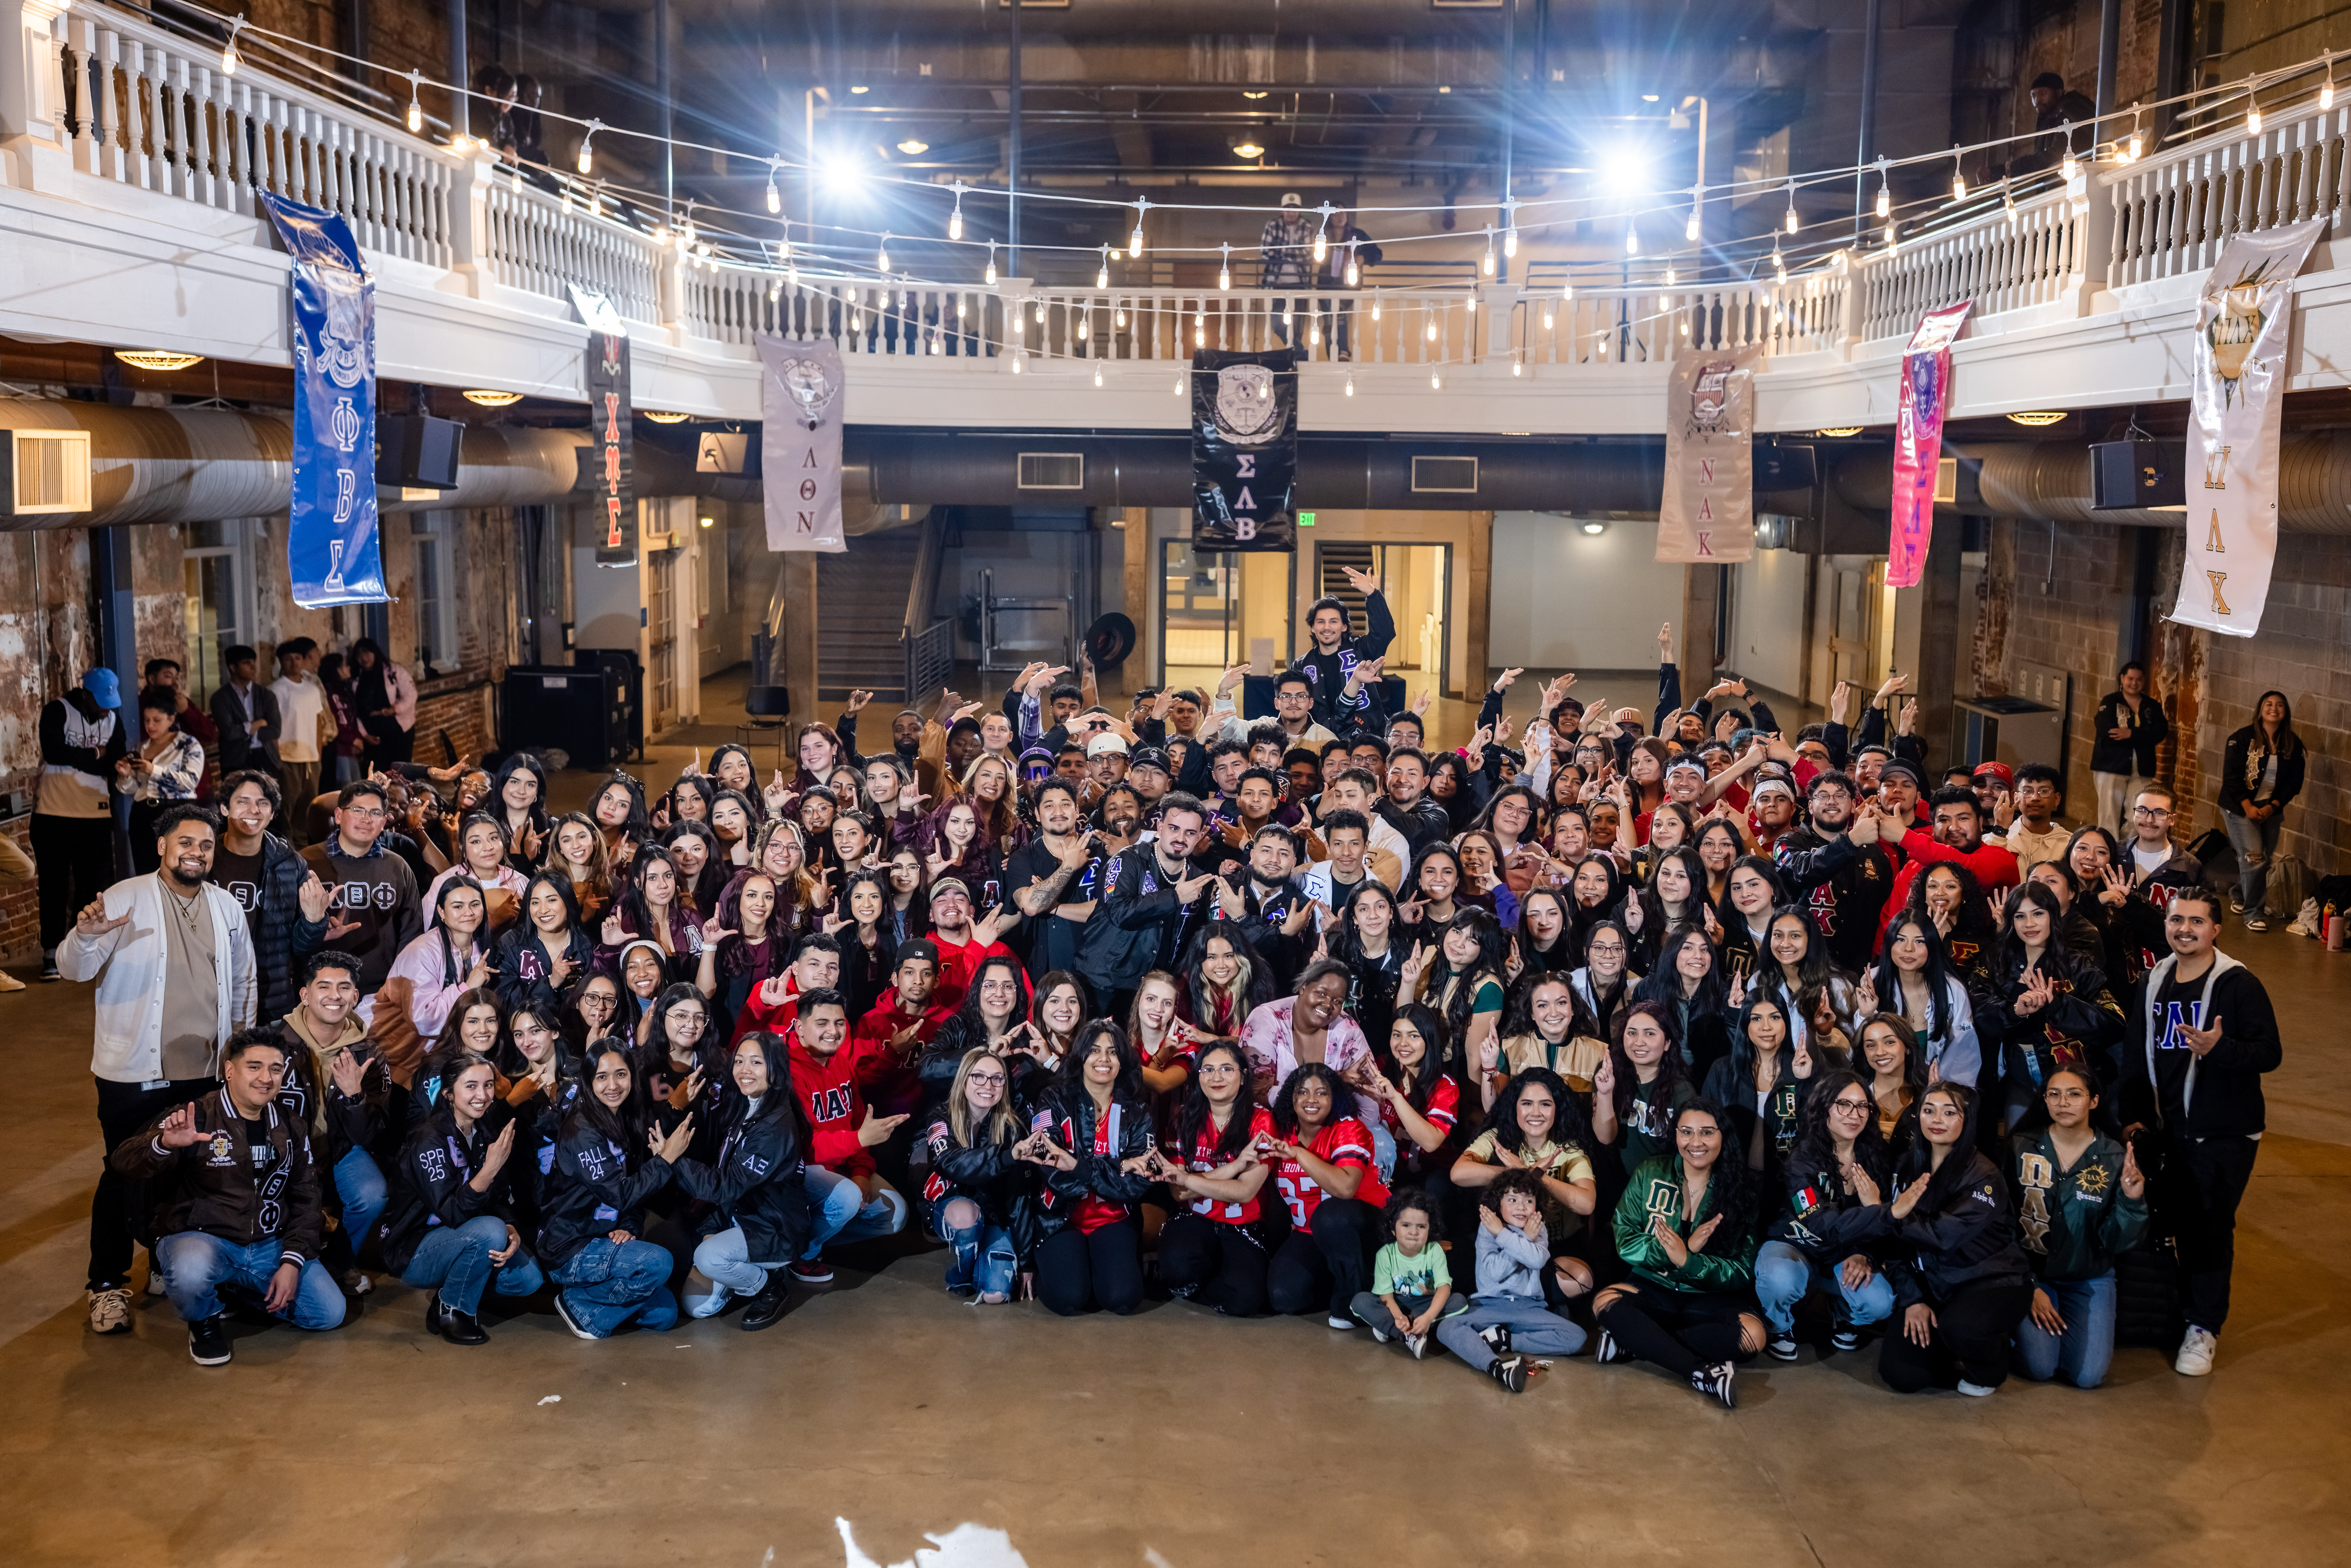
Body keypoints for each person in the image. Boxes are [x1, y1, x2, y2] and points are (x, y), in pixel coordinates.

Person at [64, 802, 256, 1336]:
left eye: (205, 844)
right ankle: (106, 1283)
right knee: (123, 1172)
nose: (196, 852)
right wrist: (84, 934)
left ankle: (162, 1262)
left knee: (186, 1175)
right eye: (186, 842)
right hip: (132, 1073)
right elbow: (73, 970)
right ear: (162, 846)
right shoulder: (125, 897)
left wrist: (236, 1059)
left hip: (204, 1072)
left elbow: (244, 985)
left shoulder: (225, 907)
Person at [2117, 888, 2281, 1377]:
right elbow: (2133, 1056)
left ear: (2216, 929)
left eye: (2196, 921)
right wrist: (2133, 1117)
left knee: (2208, 1227)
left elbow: (2268, 1053)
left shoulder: (2237, 985)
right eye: (2176, 920)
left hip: (2223, 1134)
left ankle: (2203, 1326)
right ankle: (2174, 1310)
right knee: (2172, 1222)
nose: (2184, 928)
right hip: (2166, 1127)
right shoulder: (2153, 979)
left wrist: (2220, 1048)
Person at [110, 1031, 344, 1364]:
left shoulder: (291, 1124)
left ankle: (234, 1290)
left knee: (329, 1313)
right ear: (230, 1071)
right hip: (203, 1240)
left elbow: (308, 1196)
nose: (266, 1078)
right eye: (255, 1067)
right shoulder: (197, 1115)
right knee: (191, 1271)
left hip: (267, 1244)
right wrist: (164, 1143)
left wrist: (292, 1260)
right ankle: (203, 1321)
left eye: (276, 1069)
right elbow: (123, 1161)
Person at [1592, 1098, 1764, 1407]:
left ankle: (1636, 1342)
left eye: (1707, 1133)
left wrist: (1689, 1261)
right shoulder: (1650, 1172)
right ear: (1675, 1136)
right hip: (1652, 1285)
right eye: (1686, 1132)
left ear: (1722, 1137)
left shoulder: (1742, 1192)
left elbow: (1740, 1270)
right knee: (1604, 1301)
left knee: (1754, 1335)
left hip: (1708, 1296)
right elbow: (1625, 1237)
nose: (1695, 1142)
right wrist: (1668, 1254)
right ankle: (1699, 1372)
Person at [1873, 1082, 2035, 1396]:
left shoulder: (1983, 1176)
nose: (1937, 1120)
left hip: (1989, 1283)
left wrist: (1887, 1214)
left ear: (1967, 1119)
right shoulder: (1906, 1166)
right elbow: (1895, 1246)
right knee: (1902, 1375)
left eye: (1950, 1112)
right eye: (1928, 1110)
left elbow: (1940, 1236)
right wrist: (1913, 1299)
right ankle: (1950, 1345)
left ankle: (1991, 1361)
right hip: (1933, 1287)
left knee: (1961, 1328)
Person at [377, 1048, 547, 1345]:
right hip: (414, 1247)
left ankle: (453, 1289)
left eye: (488, 1085)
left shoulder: (483, 1128)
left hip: (461, 1235)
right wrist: (489, 1170)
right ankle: (452, 1309)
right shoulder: (428, 1138)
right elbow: (451, 1211)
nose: (482, 1095)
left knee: (527, 1278)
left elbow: (496, 1196)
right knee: (489, 1232)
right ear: (448, 1094)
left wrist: (510, 1226)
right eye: (470, 1086)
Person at [537, 1038, 693, 1339]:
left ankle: (589, 1295)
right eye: (602, 1077)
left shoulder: (625, 1118)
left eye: (621, 1074)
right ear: (588, 1081)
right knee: (658, 1262)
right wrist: (666, 1158)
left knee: (665, 1313)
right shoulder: (582, 1129)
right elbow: (620, 1193)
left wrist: (630, 1226)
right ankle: (581, 1306)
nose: (613, 1085)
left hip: (605, 1238)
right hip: (571, 1246)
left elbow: (632, 1193)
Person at [2012, 1067, 2148, 1389]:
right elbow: (2000, 1222)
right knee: (2040, 1367)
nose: (2063, 1102)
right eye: (2054, 1094)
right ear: (2043, 1100)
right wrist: (2026, 1284)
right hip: (2032, 1274)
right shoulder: (2021, 1147)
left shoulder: (2113, 1156)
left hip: (2089, 1276)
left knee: (2087, 1376)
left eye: (2074, 1094)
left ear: (2094, 1101)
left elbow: (2116, 1241)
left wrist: (2132, 1201)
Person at [268, 950, 389, 1294]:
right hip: (283, 1151)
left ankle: (338, 1263)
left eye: (344, 987)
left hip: (339, 1151)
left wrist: (354, 1097)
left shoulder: (369, 1054)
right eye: (324, 986)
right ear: (305, 995)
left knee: (371, 1194)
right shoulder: (272, 1043)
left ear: (356, 997)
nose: (334, 996)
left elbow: (371, 1134)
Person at [676, 1031, 815, 1330]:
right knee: (696, 1307)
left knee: (708, 1257)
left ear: (775, 1069)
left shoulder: (775, 1125)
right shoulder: (744, 1104)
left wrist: (673, 1158)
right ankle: (741, 1270)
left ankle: (767, 1286)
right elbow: (725, 1174)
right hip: (738, 1217)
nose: (744, 1070)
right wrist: (712, 1228)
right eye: (739, 1061)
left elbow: (725, 1185)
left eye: (756, 1062)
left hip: (770, 1228)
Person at [1754, 1069, 1896, 1361]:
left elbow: (1889, 1231)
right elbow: (1819, 1222)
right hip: (1795, 1245)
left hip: (1842, 1255)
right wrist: (1877, 1211)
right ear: (1824, 1109)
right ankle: (1779, 1327)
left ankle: (1842, 1313)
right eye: (1843, 1104)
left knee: (1879, 1302)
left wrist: (1864, 1253)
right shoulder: (1802, 1158)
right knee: (1779, 1278)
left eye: (1861, 1106)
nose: (1853, 1114)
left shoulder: (1876, 1155)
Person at [1022, 1021, 1154, 1316]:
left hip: (1114, 1218)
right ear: (1080, 1057)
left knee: (1123, 1299)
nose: (1104, 1059)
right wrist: (1118, 1166)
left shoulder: (1138, 1112)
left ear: (1123, 1062)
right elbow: (1046, 1161)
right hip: (1060, 1218)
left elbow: (1139, 1182)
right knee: (1068, 1299)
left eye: (1112, 1052)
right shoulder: (1051, 1099)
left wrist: (1078, 1165)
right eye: (1094, 1051)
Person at [785, 987, 910, 1282]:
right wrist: (858, 1144)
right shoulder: (787, 1072)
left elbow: (857, 1124)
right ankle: (800, 1252)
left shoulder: (840, 1062)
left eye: (839, 1023)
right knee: (847, 1197)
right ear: (801, 1029)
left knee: (896, 1214)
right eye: (823, 1023)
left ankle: (815, 1237)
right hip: (804, 1171)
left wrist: (861, 1172)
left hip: (842, 1165)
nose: (833, 1031)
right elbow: (804, 1149)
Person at [1430, 1168, 1588, 1392]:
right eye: (1513, 1199)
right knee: (1446, 1327)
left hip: (1528, 1308)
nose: (1522, 1207)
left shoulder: (1537, 1227)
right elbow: (1494, 1273)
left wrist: (1511, 1236)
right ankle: (1495, 1366)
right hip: (1489, 1305)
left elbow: (1537, 1260)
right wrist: (1521, 1238)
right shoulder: (1489, 1227)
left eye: (1529, 1200)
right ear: (1499, 1204)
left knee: (1578, 1338)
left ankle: (1505, 1340)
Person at [1155, 1040, 1278, 1316]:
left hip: (1242, 1224)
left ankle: (1220, 1276)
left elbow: (1245, 1192)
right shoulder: (1184, 1119)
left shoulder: (1262, 1121)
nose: (1216, 1078)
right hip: (1195, 1218)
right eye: (1207, 1070)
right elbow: (1178, 1194)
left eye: (1226, 1069)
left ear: (1244, 1075)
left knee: (1246, 1301)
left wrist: (1190, 1180)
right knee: (1177, 1269)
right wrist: (1233, 1169)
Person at [1262, 1062, 1389, 1326]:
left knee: (1330, 1216)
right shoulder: (1283, 1131)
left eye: (1322, 1093)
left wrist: (1299, 1153)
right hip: (1308, 1232)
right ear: (1292, 1097)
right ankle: (1344, 1282)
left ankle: (1355, 1300)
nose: (1312, 1100)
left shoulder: (1349, 1129)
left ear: (1336, 1098)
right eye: (1303, 1092)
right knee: (1283, 1296)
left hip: (1361, 1228)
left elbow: (1345, 1189)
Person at [1077, 793, 1217, 1014]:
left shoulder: (1199, 881)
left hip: (1154, 991)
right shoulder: (1127, 860)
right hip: (1104, 984)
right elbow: (1119, 911)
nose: (1181, 838)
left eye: (1190, 833)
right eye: (1174, 828)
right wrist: (1176, 898)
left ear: (1199, 836)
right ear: (1160, 828)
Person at [210, 770, 331, 1021]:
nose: (253, 810)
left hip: (272, 996)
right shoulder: (205, 859)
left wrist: (314, 920)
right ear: (224, 808)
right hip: (211, 991)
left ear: (273, 814)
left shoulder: (289, 863)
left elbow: (300, 948)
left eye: (263, 803)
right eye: (242, 801)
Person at [921, 1047, 1037, 1305]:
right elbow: (954, 1164)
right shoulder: (941, 1116)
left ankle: (981, 1260)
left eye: (998, 1078)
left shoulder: (1013, 1126)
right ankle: (962, 1274)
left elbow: (1021, 1196)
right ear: (964, 1079)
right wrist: (1006, 1157)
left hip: (996, 1214)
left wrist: (1027, 1261)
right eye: (979, 1077)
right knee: (967, 1217)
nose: (989, 1085)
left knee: (996, 1295)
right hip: (953, 1205)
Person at [34, 667, 127, 981]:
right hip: (53, 813)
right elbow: (53, 751)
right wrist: (95, 754)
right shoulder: (59, 710)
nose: (106, 709)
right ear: (85, 694)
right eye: (100, 702)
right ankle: (51, 950)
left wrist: (89, 757)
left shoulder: (113, 717)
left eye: (110, 702)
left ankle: (82, 948)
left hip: (96, 815)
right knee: (54, 885)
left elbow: (116, 759)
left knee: (91, 886)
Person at [302, 779, 423, 994]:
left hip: (380, 992)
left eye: (376, 813)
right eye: (358, 810)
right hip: (317, 988)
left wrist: (399, 986)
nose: (367, 820)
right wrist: (316, 927)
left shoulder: (398, 867)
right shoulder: (306, 862)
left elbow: (411, 934)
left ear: (385, 821)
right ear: (339, 815)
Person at [2219, 690, 2304, 930]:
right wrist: (2247, 807)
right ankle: (2254, 914)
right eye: (2269, 704)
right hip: (2238, 807)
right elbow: (2231, 778)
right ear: (2261, 709)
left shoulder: (2292, 744)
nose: (2274, 709)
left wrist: (2273, 807)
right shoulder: (2242, 739)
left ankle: (2239, 893)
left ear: (2285, 712)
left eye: (2280, 705)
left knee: (2261, 861)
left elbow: (2294, 783)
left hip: (2271, 809)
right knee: (2254, 859)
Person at [117, 688, 206, 870]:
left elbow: (190, 781)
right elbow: (135, 788)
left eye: (157, 720)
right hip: (143, 813)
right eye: (147, 720)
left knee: (177, 870)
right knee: (146, 871)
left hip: (177, 812)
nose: (151, 726)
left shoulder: (188, 745)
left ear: (171, 720)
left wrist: (154, 770)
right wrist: (125, 776)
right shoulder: (142, 748)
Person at [2090, 662, 2168, 839]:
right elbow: (2107, 731)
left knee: (2139, 815)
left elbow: (2160, 733)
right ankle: (2108, 852)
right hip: (2111, 767)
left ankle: (2125, 850)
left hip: (2142, 768)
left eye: (2139, 680)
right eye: (2130, 679)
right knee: (2109, 815)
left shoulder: (2152, 706)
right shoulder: (2110, 702)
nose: (2134, 683)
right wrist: (2143, 737)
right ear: (2122, 679)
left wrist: (2131, 734)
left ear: (2145, 682)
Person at [269, 639, 333, 845]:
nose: (294, 663)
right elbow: (274, 726)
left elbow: (318, 721)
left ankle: (304, 845)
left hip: (311, 757)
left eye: (298, 658)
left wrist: (319, 754)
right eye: (288, 659)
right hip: (288, 757)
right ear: (281, 662)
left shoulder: (311, 689)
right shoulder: (277, 690)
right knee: (287, 805)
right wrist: (276, 757)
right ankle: (286, 845)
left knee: (308, 805)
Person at [209, 644, 280, 779]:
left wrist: (246, 731)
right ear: (233, 668)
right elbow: (229, 733)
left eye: (254, 662)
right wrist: (258, 724)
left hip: (266, 757)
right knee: (238, 798)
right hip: (235, 761)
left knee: (267, 798)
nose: (253, 667)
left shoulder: (267, 695)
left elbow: (276, 730)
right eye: (247, 663)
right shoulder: (221, 698)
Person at [1259, 191, 1318, 345]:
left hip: (1300, 285)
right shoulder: (1272, 225)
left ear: (1299, 211)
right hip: (1276, 284)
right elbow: (1265, 252)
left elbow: (1308, 254)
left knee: (1297, 328)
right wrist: (1293, 251)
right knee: (1278, 324)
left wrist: (1281, 252)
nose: (1291, 213)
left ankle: (1296, 358)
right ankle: (1300, 353)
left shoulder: (1307, 226)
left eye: (1294, 209)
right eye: (1288, 209)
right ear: (1282, 210)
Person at [349, 637, 417, 770]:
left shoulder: (394, 671)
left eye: (367, 653)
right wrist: (364, 735)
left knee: (401, 771)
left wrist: (397, 708)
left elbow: (411, 694)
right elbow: (355, 711)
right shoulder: (356, 680)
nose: (364, 658)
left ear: (375, 653)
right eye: (359, 655)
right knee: (378, 773)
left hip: (399, 732)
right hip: (373, 737)